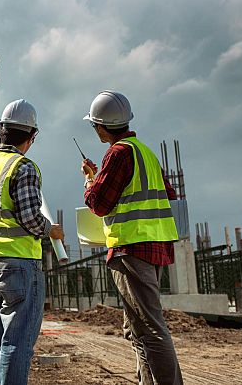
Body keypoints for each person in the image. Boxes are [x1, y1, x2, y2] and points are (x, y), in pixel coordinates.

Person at [80, 90, 183, 385]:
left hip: (132, 248)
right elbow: (169, 196)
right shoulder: (145, 153)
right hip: (155, 246)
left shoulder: (118, 153)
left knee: (150, 327)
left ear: (100, 126)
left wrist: (90, 179)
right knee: (136, 327)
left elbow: (98, 203)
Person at [0, 99, 64, 385]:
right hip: (20, 264)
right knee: (17, 342)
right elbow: (31, 219)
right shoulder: (23, 167)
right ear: (31, 136)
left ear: (1, 130)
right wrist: (52, 231)